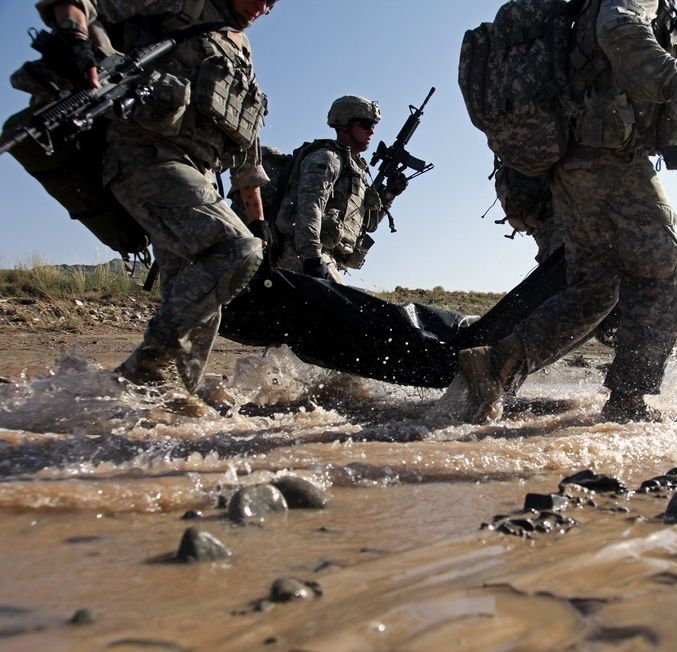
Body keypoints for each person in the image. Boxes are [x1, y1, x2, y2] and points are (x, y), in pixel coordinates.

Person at [444, 0, 677, 424]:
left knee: (596, 286)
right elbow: (619, 30)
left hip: (574, 157)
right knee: (661, 265)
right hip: (605, 153)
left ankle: (496, 364)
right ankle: (628, 402)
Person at [33, 0, 277, 416]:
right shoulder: (185, 3)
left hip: (196, 173)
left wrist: (257, 218)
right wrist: (73, 36)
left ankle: (167, 401)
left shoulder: (240, 49)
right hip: (145, 155)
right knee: (236, 250)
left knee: (200, 292)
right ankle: (146, 368)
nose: (265, 6)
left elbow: (247, 149)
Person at [272, 95, 408, 284]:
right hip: (302, 255)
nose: (371, 132)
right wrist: (312, 257)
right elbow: (309, 206)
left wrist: (390, 194)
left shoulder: (356, 170)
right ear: (344, 124)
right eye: (366, 124)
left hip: (327, 259)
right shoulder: (327, 158)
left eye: (373, 126)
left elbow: (368, 224)